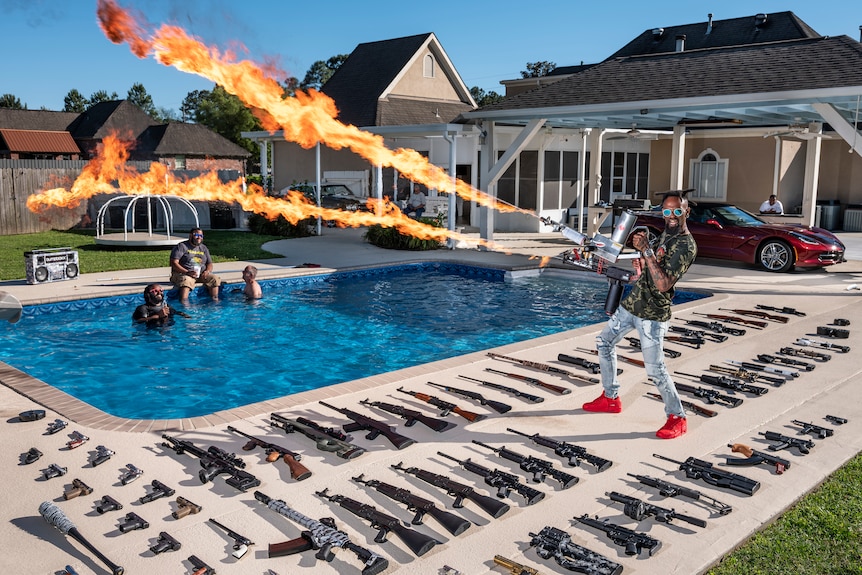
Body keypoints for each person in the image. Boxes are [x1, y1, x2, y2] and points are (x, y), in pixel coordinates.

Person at [582, 190, 698, 439]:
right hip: (633, 304)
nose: (671, 215)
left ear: (687, 211)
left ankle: (677, 417)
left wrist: (645, 251)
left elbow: (664, 284)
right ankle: (611, 398)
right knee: (604, 342)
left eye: (677, 210)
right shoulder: (666, 233)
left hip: (653, 315)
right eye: (667, 211)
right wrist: (641, 265)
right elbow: (652, 269)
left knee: (655, 370)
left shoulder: (686, 245)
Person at [169, 228, 222, 303]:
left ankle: (215, 302)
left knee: (214, 279)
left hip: (200, 274)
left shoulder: (203, 248)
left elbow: (209, 263)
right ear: (190, 236)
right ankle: (184, 304)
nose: (199, 237)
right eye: (196, 235)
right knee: (186, 280)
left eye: (201, 235)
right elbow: (174, 263)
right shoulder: (182, 246)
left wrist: (207, 271)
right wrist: (187, 272)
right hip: (183, 274)